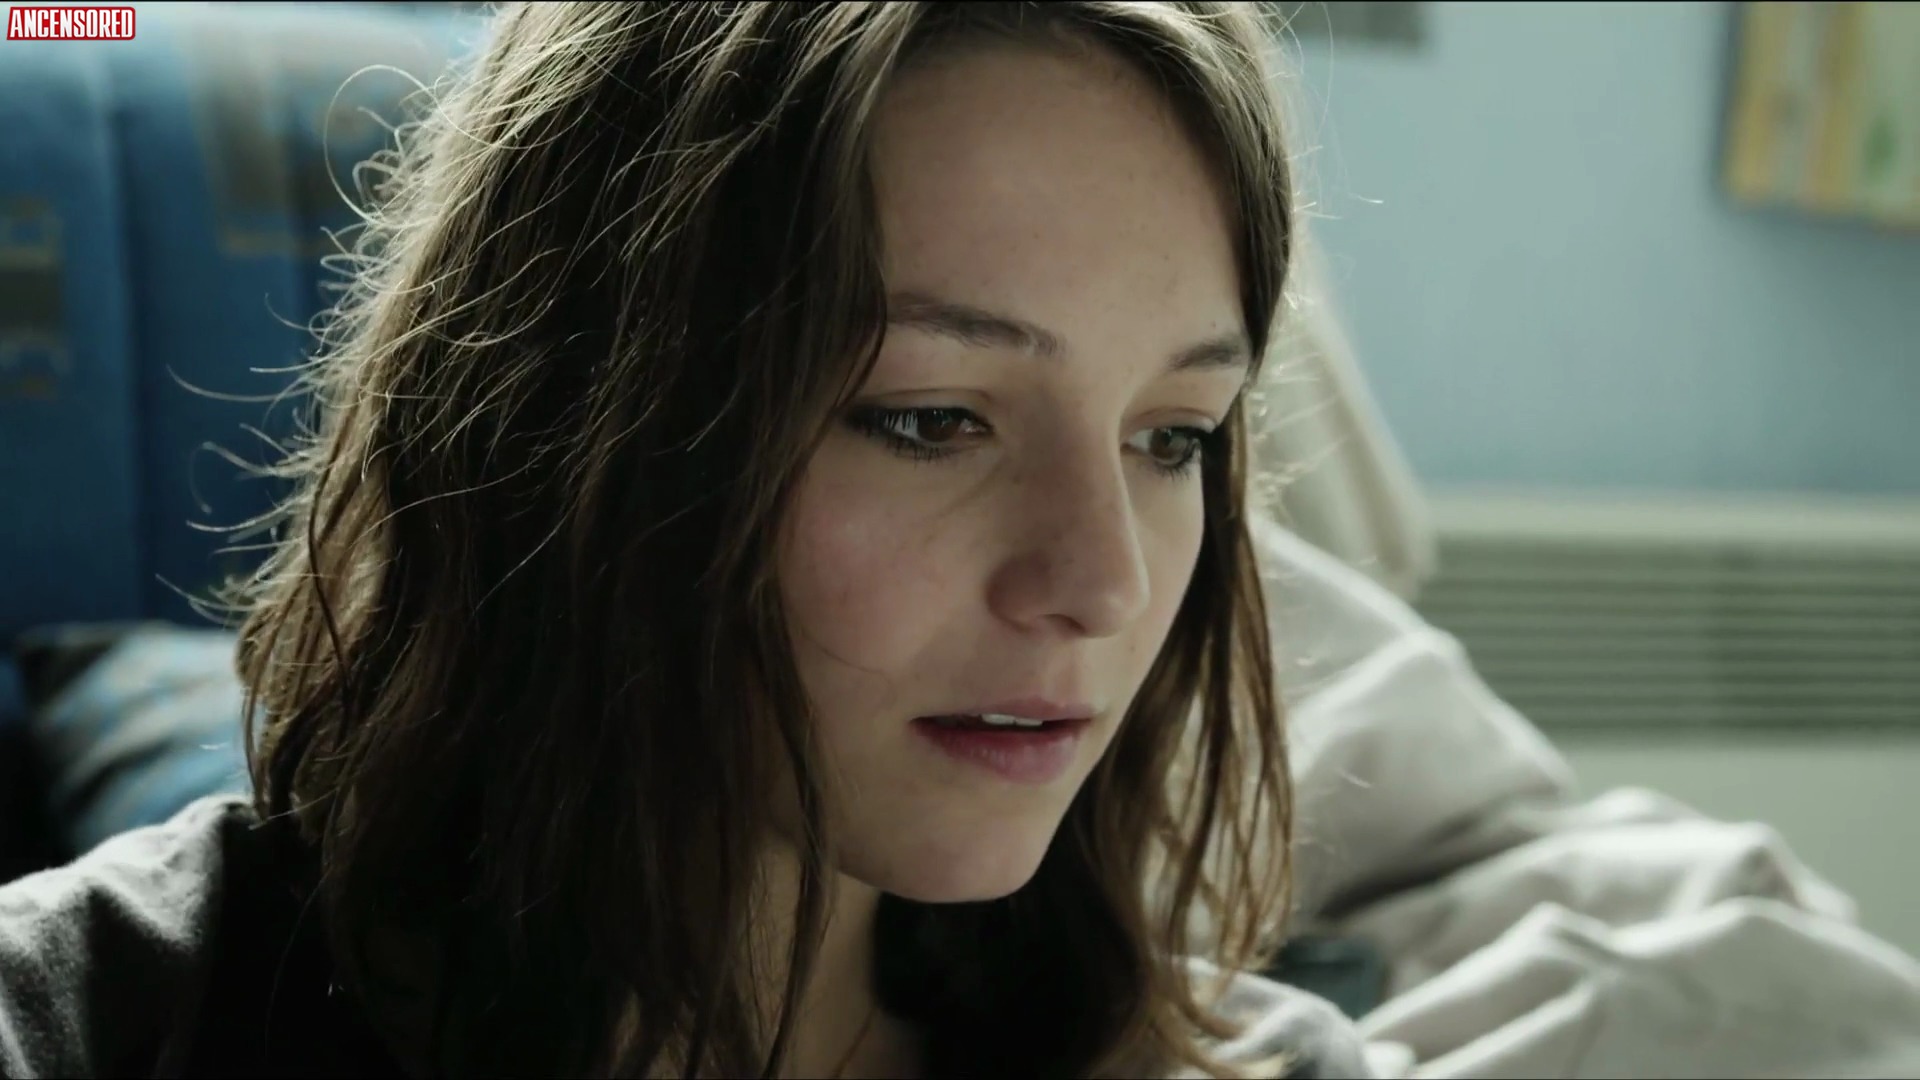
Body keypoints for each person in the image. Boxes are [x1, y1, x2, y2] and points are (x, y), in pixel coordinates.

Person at [0, 3, 1375, 1078]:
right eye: (932, 420)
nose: (1105, 584)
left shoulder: (1267, 1070)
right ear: (569, 411)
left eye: (1173, 437)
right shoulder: (84, 1028)